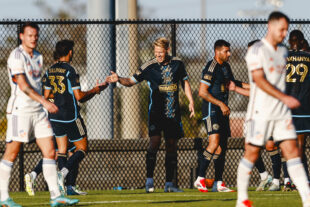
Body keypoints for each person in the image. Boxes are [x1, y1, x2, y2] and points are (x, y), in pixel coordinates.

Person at [236, 11, 310, 207]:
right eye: (282, 29)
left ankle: (307, 199)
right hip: (260, 111)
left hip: (281, 112)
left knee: (292, 152)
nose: (284, 33)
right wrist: (285, 97)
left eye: (286, 29)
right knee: (251, 154)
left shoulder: (284, 52)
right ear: (270, 27)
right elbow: (259, 80)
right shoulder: (256, 50)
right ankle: (242, 199)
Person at [0, 22, 79, 206]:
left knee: (50, 151)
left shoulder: (38, 56)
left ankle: (55, 196)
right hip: (20, 111)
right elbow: (23, 85)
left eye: (35, 35)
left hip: (38, 112)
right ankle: (3, 197)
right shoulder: (16, 56)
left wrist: (43, 104)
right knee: (12, 153)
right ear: (21, 36)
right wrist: (45, 101)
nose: (33, 38)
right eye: (29, 35)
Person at [107, 37, 195, 193]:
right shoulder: (149, 66)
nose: (158, 55)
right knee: (154, 143)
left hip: (173, 112)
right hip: (156, 112)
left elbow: (185, 82)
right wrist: (119, 78)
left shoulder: (178, 64)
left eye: (161, 52)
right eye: (156, 53)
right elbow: (131, 81)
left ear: (167, 50)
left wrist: (191, 101)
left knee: (171, 146)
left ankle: (169, 184)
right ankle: (149, 181)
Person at [41, 39, 108, 195]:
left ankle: (67, 188)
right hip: (70, 116)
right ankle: (63, 174)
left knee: (62, 151)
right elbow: (79, 97)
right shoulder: (70, 70)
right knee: (83, 149)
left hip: (54, 116)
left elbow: (46, 95)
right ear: (70, 52)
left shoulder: (49, 70)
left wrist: (58, 97)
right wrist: (95, 90)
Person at [194, 40, 248, 193]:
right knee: (214, 141)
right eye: (226, 51)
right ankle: (200, 178)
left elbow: (233, 83)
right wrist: (221, 104)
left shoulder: (226, 67)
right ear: (217, 52)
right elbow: (202, 92)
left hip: (223, 111)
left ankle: (218, 183)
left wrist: (253, 86)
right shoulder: (211, 67)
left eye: (229, 51)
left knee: (222, 147)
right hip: (212, 109)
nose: (229, 53)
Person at [283, 29, 310, 189]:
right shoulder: (308, 57)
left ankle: (289, 178)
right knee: (301, 146)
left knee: (289, 144)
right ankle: (300, 180)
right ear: (302, 41)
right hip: (304, 105)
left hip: (286, 105)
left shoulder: (283, 58)